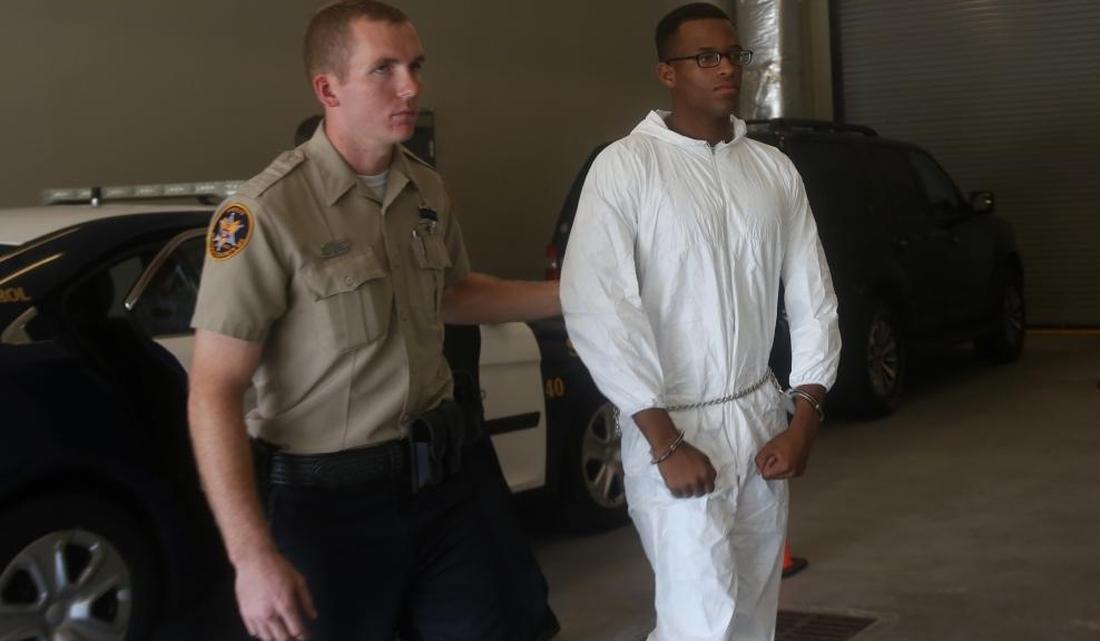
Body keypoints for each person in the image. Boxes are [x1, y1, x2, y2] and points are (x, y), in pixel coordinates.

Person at [187, 2, 560, 640]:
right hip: (332, 506)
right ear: (327, 88)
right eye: (383, 69)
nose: (410, 86)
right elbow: (214, 389)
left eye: (414, 66)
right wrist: (250, 558)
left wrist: (573, 294)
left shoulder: (426, 190)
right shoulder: (265, 213)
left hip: (446, 484)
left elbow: (454, 294)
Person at [559, 3, 841, 640]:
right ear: (667, 72)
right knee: (699, 622)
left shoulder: (771, 170)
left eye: (734, 55)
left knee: (752, 613)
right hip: (674, 427)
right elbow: (598, 306)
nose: (726, 70)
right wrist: (663, 440)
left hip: (758, 414)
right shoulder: (626, 168)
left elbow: (813, 298)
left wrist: (805, 417)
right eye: (705, 58)